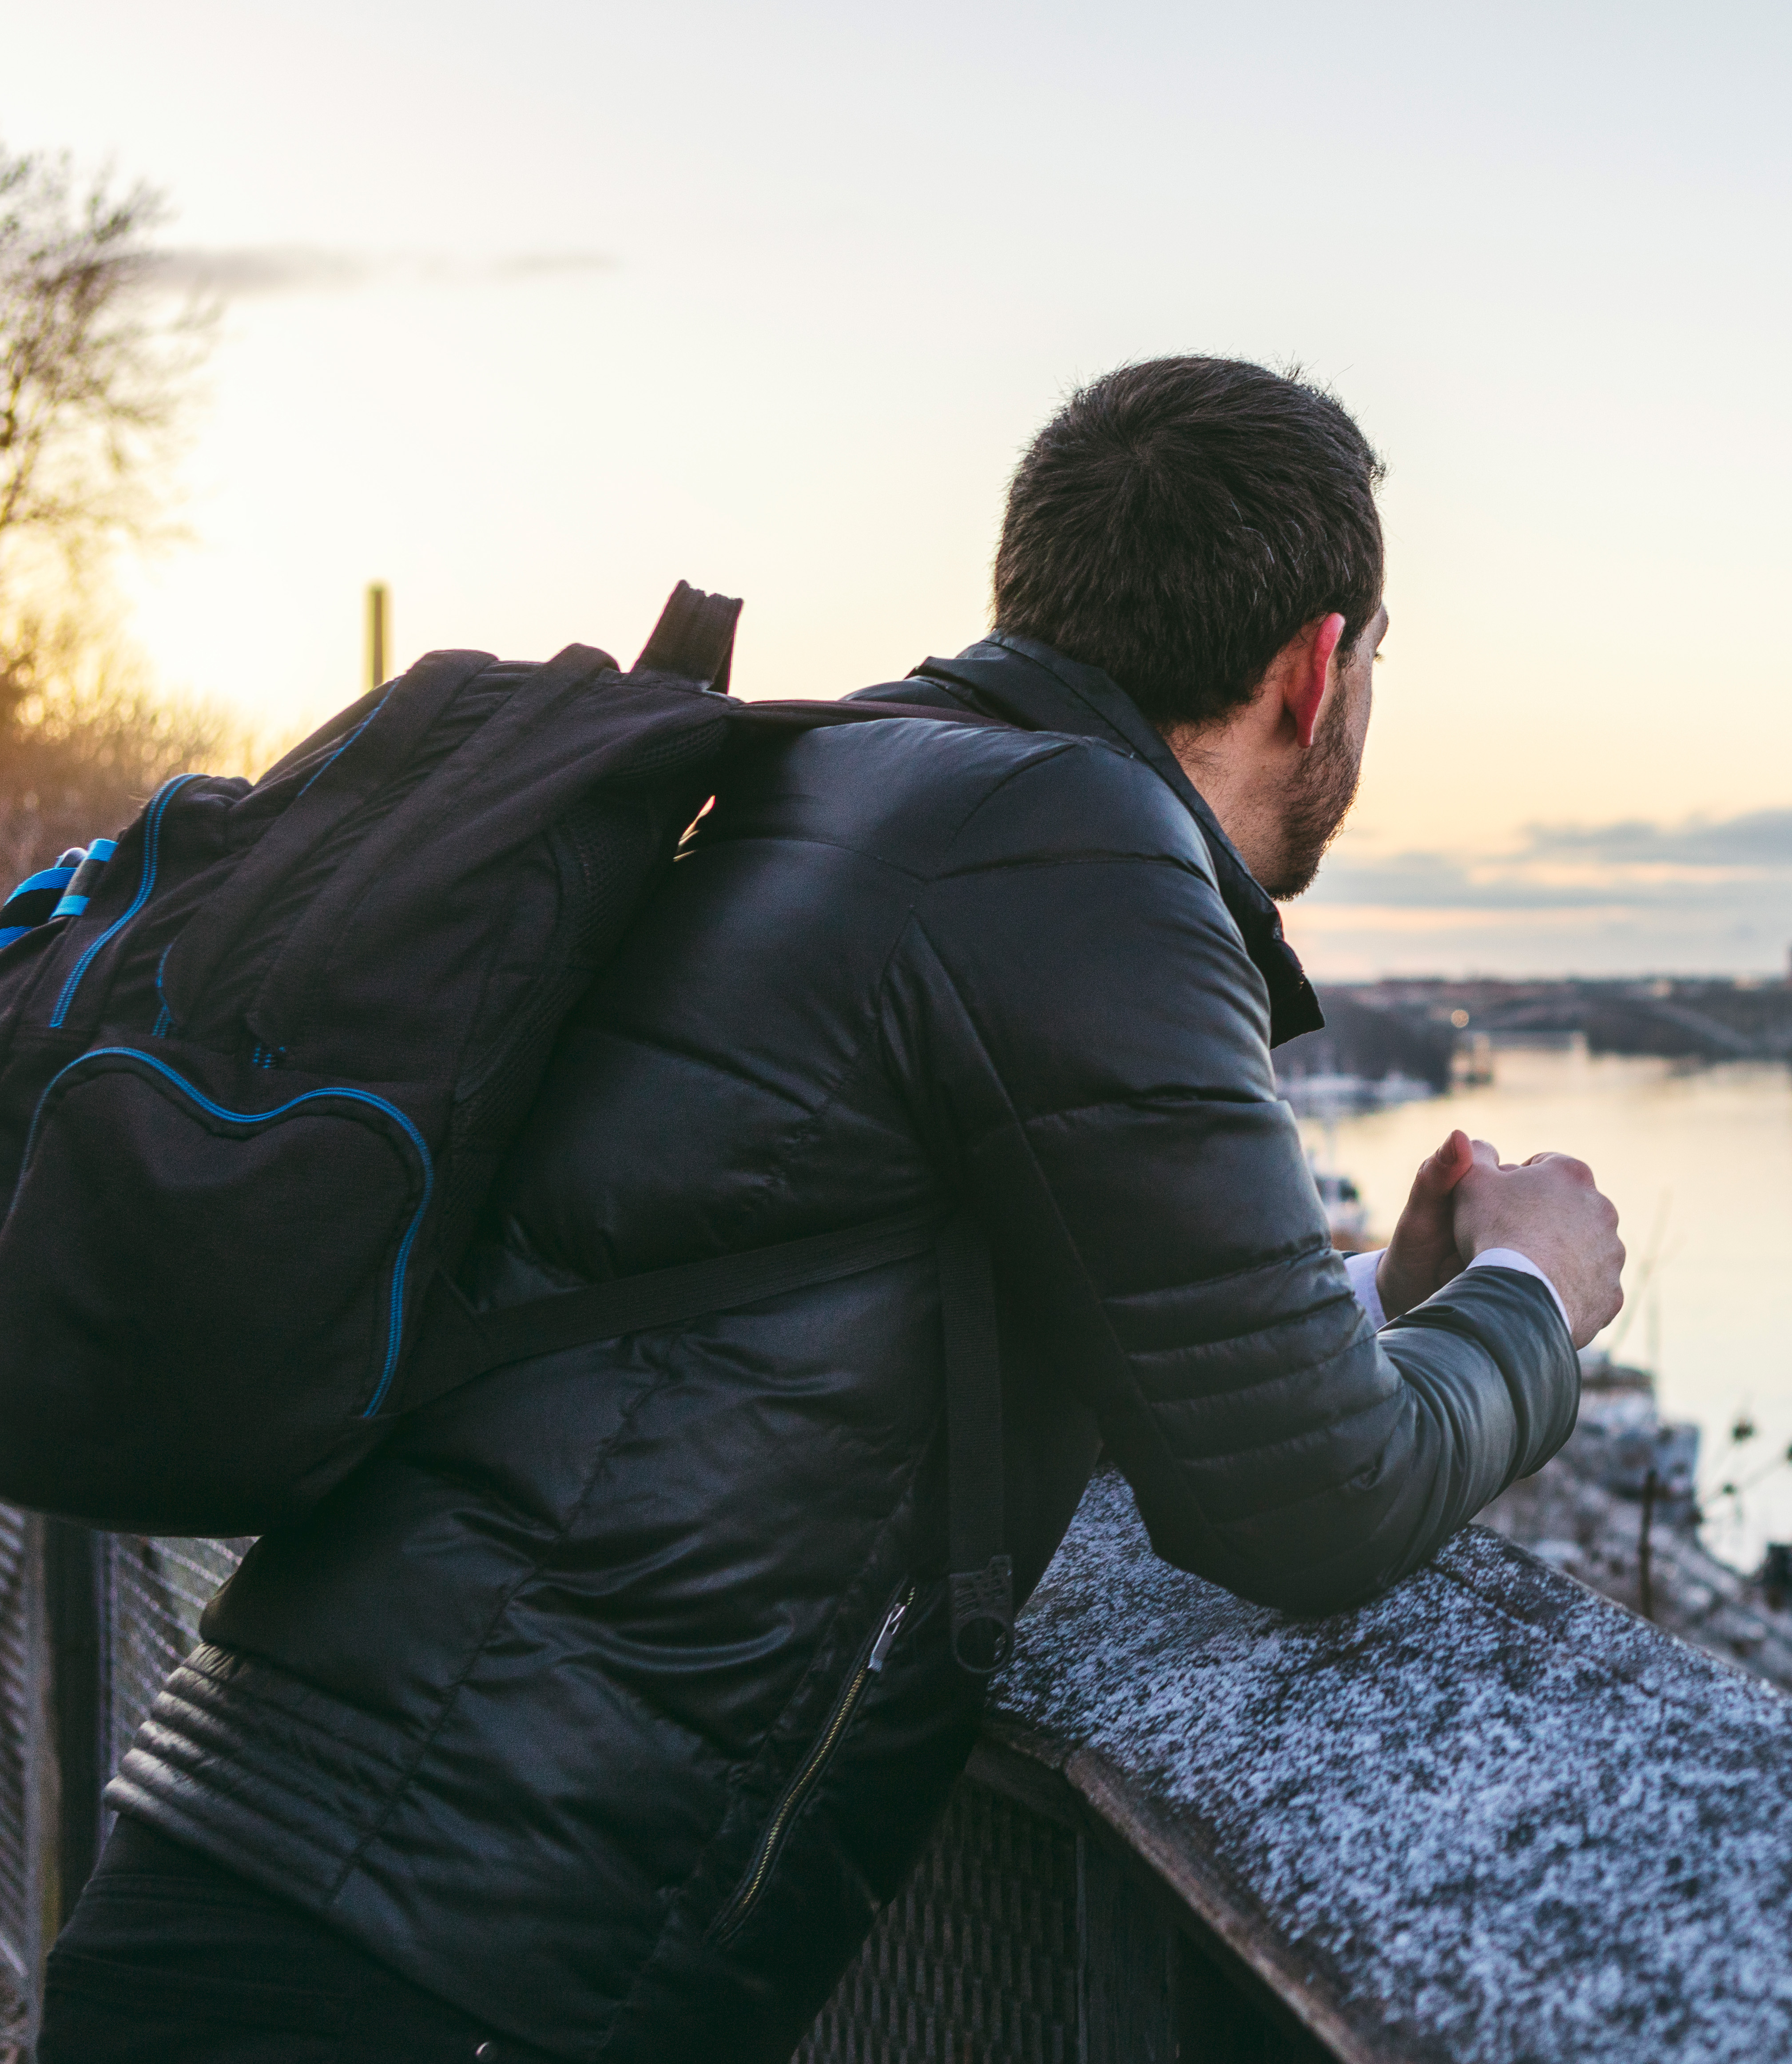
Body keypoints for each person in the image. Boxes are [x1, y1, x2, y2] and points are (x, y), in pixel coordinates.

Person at [41, 357, 1624, 2063]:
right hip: (448, 1964)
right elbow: (1307, 1499)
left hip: (278, 1874)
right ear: (1316, 669)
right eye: (1377, 657)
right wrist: (1536, 1291)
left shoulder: (834, 778)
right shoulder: (1082, 852)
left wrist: (1376, 1312)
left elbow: (856, 1327)